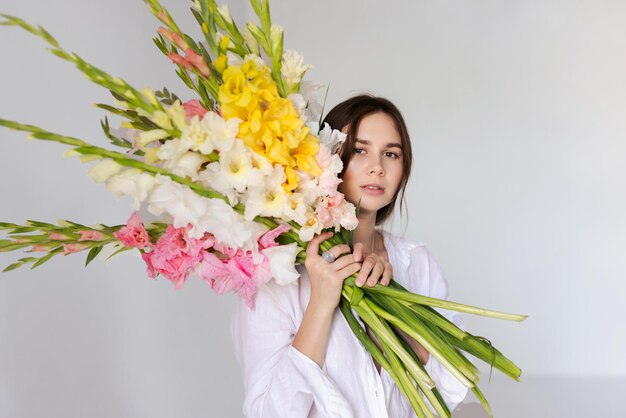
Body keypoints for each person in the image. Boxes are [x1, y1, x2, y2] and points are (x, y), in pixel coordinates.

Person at [231, 95, 468, 417]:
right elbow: (268, 412)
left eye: (391, 154)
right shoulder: (279, 276)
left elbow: (453, 383)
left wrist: (395, 310)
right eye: (359, 150)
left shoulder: (417, 263)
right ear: (325, 160)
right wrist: (321, 303)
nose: (377, 167)